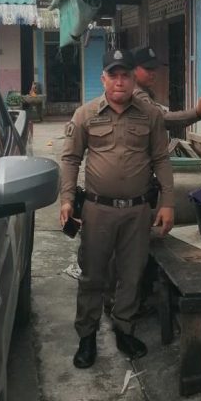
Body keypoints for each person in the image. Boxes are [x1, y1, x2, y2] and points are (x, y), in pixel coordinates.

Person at [59, 48, 175, 369]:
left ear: (133, 79)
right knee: (92, 275)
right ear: (103, 79)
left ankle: (124, 329)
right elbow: (70, 159)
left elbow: (161, 159)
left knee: (131, 274)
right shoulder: (85, 115)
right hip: (98, 211)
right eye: (114, 75)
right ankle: (87, 336)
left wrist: (167, 202)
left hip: (138, 211)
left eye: (125, 75)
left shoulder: (150, 115)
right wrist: (67, 199)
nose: (120, 81)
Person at [131, 45, 201, 125]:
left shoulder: (142, 91)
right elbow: (162, 118)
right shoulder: (136, 94)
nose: (153, 73)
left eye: (154, 68)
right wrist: (198, 112)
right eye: (148, 69)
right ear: (133, 70)